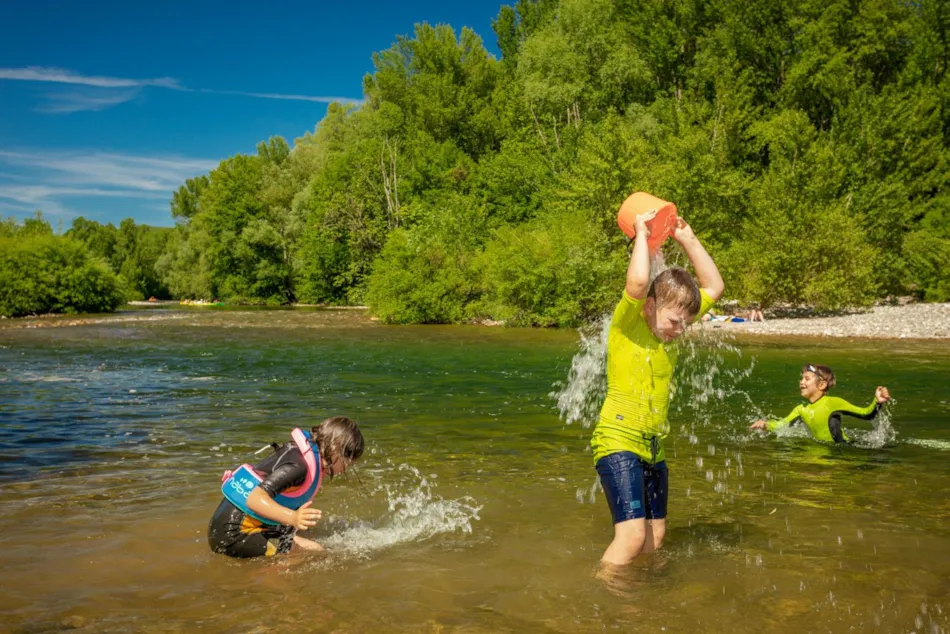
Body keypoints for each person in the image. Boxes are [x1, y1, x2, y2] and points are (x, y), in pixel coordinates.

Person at [592, 210, 724, 567]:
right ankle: (604, 591)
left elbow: (714, 287)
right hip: (618, 440)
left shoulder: (672, 331)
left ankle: (637, 588)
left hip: (653, 447)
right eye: (674, 322)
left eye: (686, 324)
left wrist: (688, 238)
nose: (680, 330)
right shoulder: (627, 325)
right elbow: (637, 284)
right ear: (650, 307)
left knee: (656, 536)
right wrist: (640, 233)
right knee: (632, 536)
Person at [208, 416, 364, 558]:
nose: (349, 465)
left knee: (306, 534)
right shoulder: (299, 467)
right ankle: (266, 578)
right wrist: (293, 517)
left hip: (224, 528)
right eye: (349, 458)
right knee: (313, 551)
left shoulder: (299, 455)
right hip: (234, 536)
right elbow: (254, 499)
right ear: (336, 449)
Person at [750, 364, 891, 443]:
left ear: (822, 384)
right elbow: (782, 425)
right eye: (801, 379)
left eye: (807, 379)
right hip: (820, 452)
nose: (801, 382)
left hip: (842, 451)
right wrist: (766, 425)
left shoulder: (833, 403)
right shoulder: (801, 409)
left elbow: (866, 414)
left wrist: (877, 401)